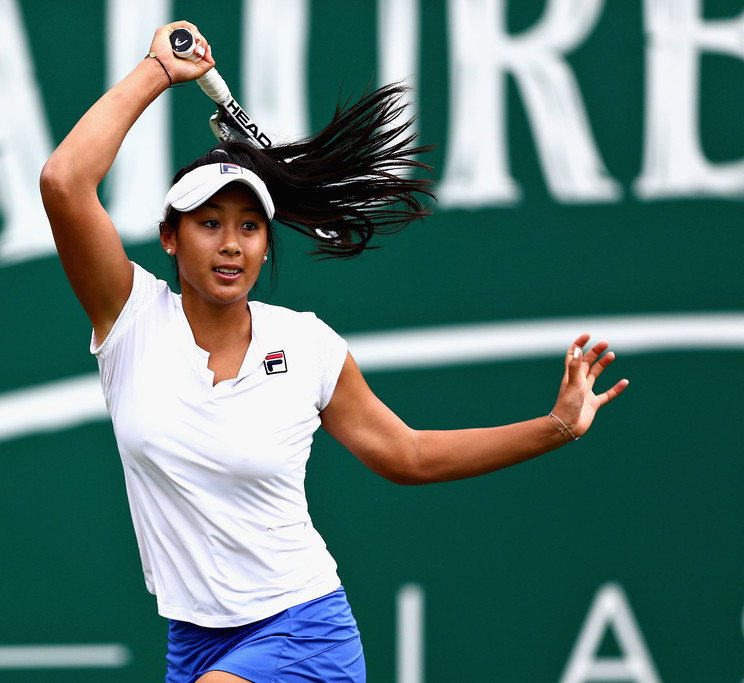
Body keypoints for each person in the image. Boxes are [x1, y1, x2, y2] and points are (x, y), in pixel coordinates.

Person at [39, 20, 628, 683]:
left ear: (266, 244)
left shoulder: (307, 345)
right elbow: (64, 181)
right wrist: (157, 70)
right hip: (193, 641)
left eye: (249, 226)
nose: (231, 244)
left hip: (304, 630)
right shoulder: (131, 320)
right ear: (169, 238)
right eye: (208, 223)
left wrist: (554, 427)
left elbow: (407, 454)